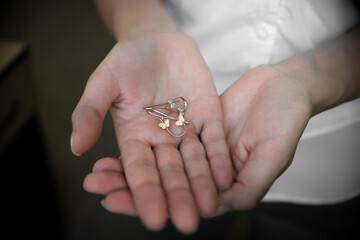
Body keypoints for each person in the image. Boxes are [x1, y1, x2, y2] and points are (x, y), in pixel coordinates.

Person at [71, 0, 360, 236]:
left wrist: (308, 80)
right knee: (179, 213)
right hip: (173, 79)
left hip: (331, 153)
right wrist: (143, 25)